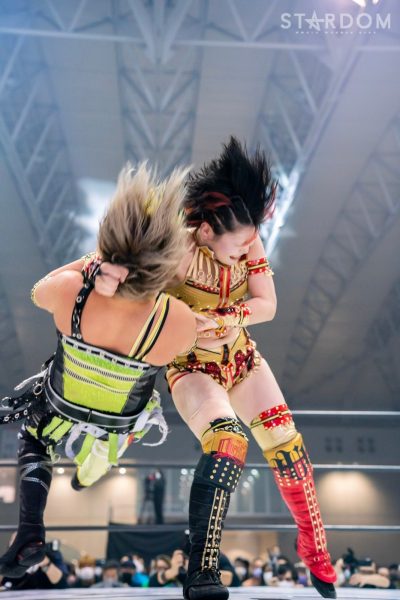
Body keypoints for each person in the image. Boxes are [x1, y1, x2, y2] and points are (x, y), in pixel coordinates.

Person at [89, 137, 338, 600]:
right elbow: (124, 278)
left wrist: (225, 318)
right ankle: (202, 567)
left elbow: (267, 304)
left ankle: (313, 545)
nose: (247, 252)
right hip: (191, 368)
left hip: (243, 359)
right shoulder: (175, 247)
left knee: (288, 446)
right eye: (239, 246)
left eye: (250, 244)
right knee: (228, 441)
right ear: (206, 231)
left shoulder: (246, 236)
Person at [0, 162, 197, 579]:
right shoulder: (176, 319)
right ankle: (89, 473)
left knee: (34, 435)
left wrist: (93, 264)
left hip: (60, 404)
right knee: (104, 448)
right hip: (119, 419)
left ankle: (31, 530)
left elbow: (37, 291)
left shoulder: (72, 292)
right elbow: (183, 337)